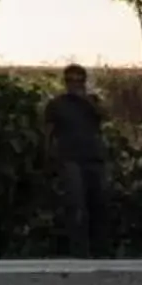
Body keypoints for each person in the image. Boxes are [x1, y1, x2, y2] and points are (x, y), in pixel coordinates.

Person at [46, 63, 111, 257]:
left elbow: (105, 116)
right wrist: (48, 157)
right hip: (70, 158)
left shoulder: (92, 101)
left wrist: (86, 100)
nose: (74, 84)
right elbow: (48, 132)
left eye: (78, 80)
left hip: (94, 157)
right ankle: (79, 253)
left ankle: (101, 252)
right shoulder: (57, 104)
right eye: (70, 80)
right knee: (76, 204)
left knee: (99, 205)